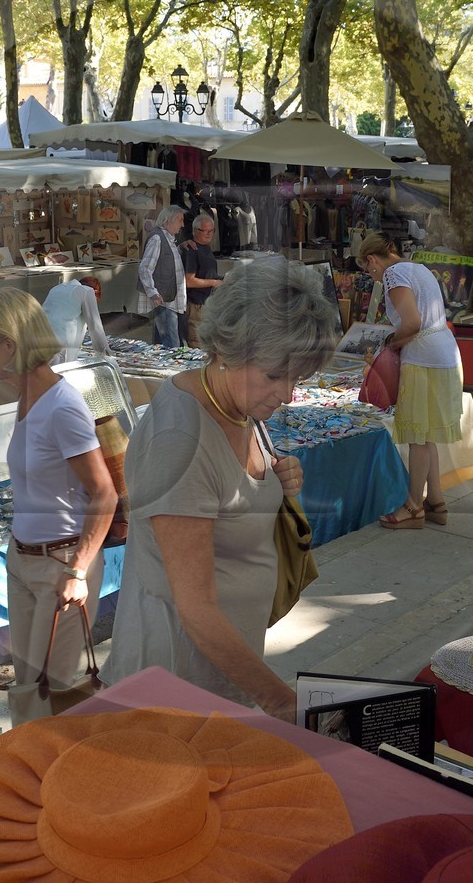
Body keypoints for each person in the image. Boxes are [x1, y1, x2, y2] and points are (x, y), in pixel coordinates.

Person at [103, 257, 339, 719]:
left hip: (218, 676)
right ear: (229, 349)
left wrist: (276, 476)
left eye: (298, 377)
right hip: (172, 687)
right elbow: (196, 609)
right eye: (276, 375)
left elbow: (229, 490)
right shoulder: (180, 440)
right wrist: (278, 701)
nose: (288, 393)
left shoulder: (236, 403)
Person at [0, 288, 117, 724]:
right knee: (31, 692)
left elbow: (103, 492)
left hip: (62, 564)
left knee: (60, 699)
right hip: (26, 560)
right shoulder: (28, 398)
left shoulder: (62, 406)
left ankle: (67, 784)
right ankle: (34, 781)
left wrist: (78, 570)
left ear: (8, 344)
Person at [356, 231, 463, 530]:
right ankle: (436, 501)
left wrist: (389, 341)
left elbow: (412, 323)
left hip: (424, 358)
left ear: (372, 260)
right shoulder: (416, 267)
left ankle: (414, 505)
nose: (372, 276)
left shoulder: (393, 274)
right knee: (427, 435)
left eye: (368, 269)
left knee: (417, 436)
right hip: (442, 353)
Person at [137, 205, 188, 348]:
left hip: (168, 297)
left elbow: (165, 258)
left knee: (160, 343)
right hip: (163, 298)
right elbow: (145, 268)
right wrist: (153, 293)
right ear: (168, 221)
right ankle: (173, 369)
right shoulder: (157, 239)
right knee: (172, 343)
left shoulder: (167, 238)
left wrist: (181, 247)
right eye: (180, 220)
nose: (182, 225)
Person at [41, 279, 110, 364]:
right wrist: (107, 358)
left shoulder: (56, 288)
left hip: (41, 337)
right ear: (95, 292)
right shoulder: (86, 291)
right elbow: (95, 327)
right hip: (61, 345)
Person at [180, 214, 222, 348]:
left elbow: (205, 274)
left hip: (206, 302)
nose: (209, 234)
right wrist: (213, 283)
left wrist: (221, 279)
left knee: (207, 340)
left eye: (212, 231)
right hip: (196, 304)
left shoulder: (206, 247)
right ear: (195, 231)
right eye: (205, 231)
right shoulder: (193, 249)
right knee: (197, 342)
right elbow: (189, 281)